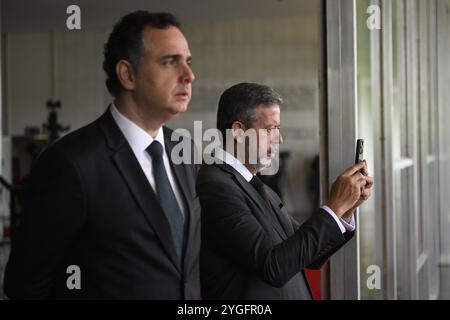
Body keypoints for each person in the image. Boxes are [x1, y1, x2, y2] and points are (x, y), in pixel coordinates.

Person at [4, 11, 200, 299]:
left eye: (188, 61)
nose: (189, 75)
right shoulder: (70, 163)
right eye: (170, 61)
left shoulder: (184, 150)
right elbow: (26, 284)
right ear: (127, 74)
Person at [197, 82, 373, 299]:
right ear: (238, 132)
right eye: (271, 129)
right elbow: (273, 266)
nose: (279, 139)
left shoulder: (260, 188)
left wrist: (345, 209)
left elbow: (307, 254)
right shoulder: (214, 186)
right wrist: (333, 207)